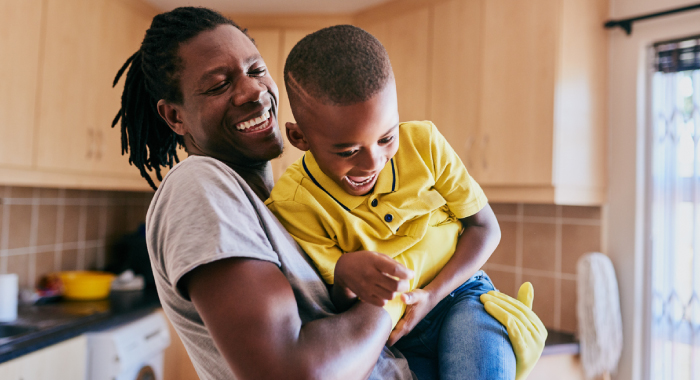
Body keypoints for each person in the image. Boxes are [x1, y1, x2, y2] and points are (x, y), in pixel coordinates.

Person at [111, 6, 547, 380]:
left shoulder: (277, 196)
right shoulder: (199, 187)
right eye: (218, 84)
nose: (250, 90)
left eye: (256, 69)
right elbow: (293, 373)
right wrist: (407, 277)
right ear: (174, 117)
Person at [265, 25, 520, 380]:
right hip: (392, 335)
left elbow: (484, 227)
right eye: (348, 151)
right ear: (299, 137)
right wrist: (344, 273)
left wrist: (430, 296)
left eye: (387, 137)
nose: (372, 162)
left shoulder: (424, 143)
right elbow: (336, 305)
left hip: (460, 297)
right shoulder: (294, 202)